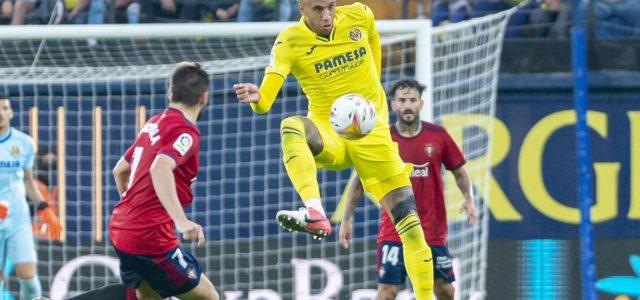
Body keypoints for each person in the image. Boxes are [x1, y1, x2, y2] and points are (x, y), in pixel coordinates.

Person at [233, 0, 435, 297]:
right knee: (291, 126)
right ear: (301, 8)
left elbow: (374, 51)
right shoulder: (290, 41)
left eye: (330, 6)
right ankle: (315, 211)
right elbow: (264, 103)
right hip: (330, 134)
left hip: (373, 135)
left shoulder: (360, 15)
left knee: (412, 229)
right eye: (318, 9)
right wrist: (257, 96)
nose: (327, 15)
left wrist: (373, 105)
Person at [339, 78, 478, 300]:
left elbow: (459, 171)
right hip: (395, 228)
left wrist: (468, 198)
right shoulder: (384, 139)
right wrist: (347, 219)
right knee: (387, 292)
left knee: (445, 291)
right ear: (393, 105)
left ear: (421, 104)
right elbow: (358, 182)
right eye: (402, 100)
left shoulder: (438, 135)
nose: (408, 105)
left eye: (413, 100)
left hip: (432, 230)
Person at [109, 62, 219, 300]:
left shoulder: (154, 123)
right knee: (209, 297)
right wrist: (181, 221)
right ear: (204, 97)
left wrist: (135, 211)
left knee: (148, 297)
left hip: (121, 227)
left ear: (170, 92)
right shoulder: (186, 132)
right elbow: (160, 167)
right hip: (150, 237)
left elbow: (120, 171)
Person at [0, 93, 61, 299]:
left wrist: (45, 209)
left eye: (4, 108)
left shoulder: (24, 143)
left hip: (17, 218)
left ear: (11, 112)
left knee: (30, 280)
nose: (1, 113)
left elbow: (28, 181)